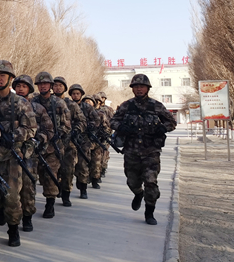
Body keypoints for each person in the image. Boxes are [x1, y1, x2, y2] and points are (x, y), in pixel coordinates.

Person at [110, 74, 176, 225]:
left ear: (147, 88)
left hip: (150, 151)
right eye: (136, 87)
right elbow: (112, 121)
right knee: (132, 181)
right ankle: (138, 194)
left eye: (142, 86)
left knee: (151, 181)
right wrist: (121, 127)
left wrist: (162, 128)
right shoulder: (126, 106)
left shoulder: (156, 105)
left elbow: (172, 122)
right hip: (131, 151)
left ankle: (149, 212)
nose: (139, 89)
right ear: (132, 89)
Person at [0, 61, 36, 247]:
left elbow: (30, 129)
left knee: (12, 196)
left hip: (13, 155)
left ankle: (13, 229)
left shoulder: (21, 103)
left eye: (2, 75)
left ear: (10, 78)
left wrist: (13, 136)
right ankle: (1, 208)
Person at [13, 75, 54, 231]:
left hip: (30, 153)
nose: (20, 89)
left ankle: (27, 217)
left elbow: (49, 130)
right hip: (9, 153)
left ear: (29, 89)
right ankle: (11, 216)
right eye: (18, 86)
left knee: (28, 187)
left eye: (24, 86)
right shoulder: (8, 106)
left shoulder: (38, 108)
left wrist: (38, 141)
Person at [31, 72, 70, 219]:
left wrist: (57, 136)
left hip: (53, 147)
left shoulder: (58, 103)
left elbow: (67, 126)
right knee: (34, 175)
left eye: (45, 84)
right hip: (36, 145)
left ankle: (50, 204)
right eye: (40, 84)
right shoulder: (32, 102)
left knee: (50, 175)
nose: (42, 86)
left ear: (51, 86)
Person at [52, 76, 85, 206]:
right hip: (52, 143)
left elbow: (82, 121)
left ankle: (66, 194)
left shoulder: (71, 105)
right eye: (55, 85)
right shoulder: (48, 103)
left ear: (65, 88)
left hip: (68, 144)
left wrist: (75, 131)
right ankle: (53, 193)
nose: (57, 87)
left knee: (68, 170)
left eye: (60, 85)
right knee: (52, 170)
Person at [69, 85, 103, 189]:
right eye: (73, 93)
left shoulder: (87, 107)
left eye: (77, 93)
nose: (75, 95)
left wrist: (90, 127)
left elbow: (96, 120)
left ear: (81, 95)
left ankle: (83, 187)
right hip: (70, 138)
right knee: (68, 164)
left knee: (83, 163)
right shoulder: (67, 105)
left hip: (84, 139)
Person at [95, 92, 115, 177]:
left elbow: (112, 121)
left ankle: (102, 168)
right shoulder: (92, 110)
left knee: (104, 152)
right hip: (96, 134)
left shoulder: (108, 109)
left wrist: (108, 131)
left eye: (103, 98)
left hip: (105, 134)